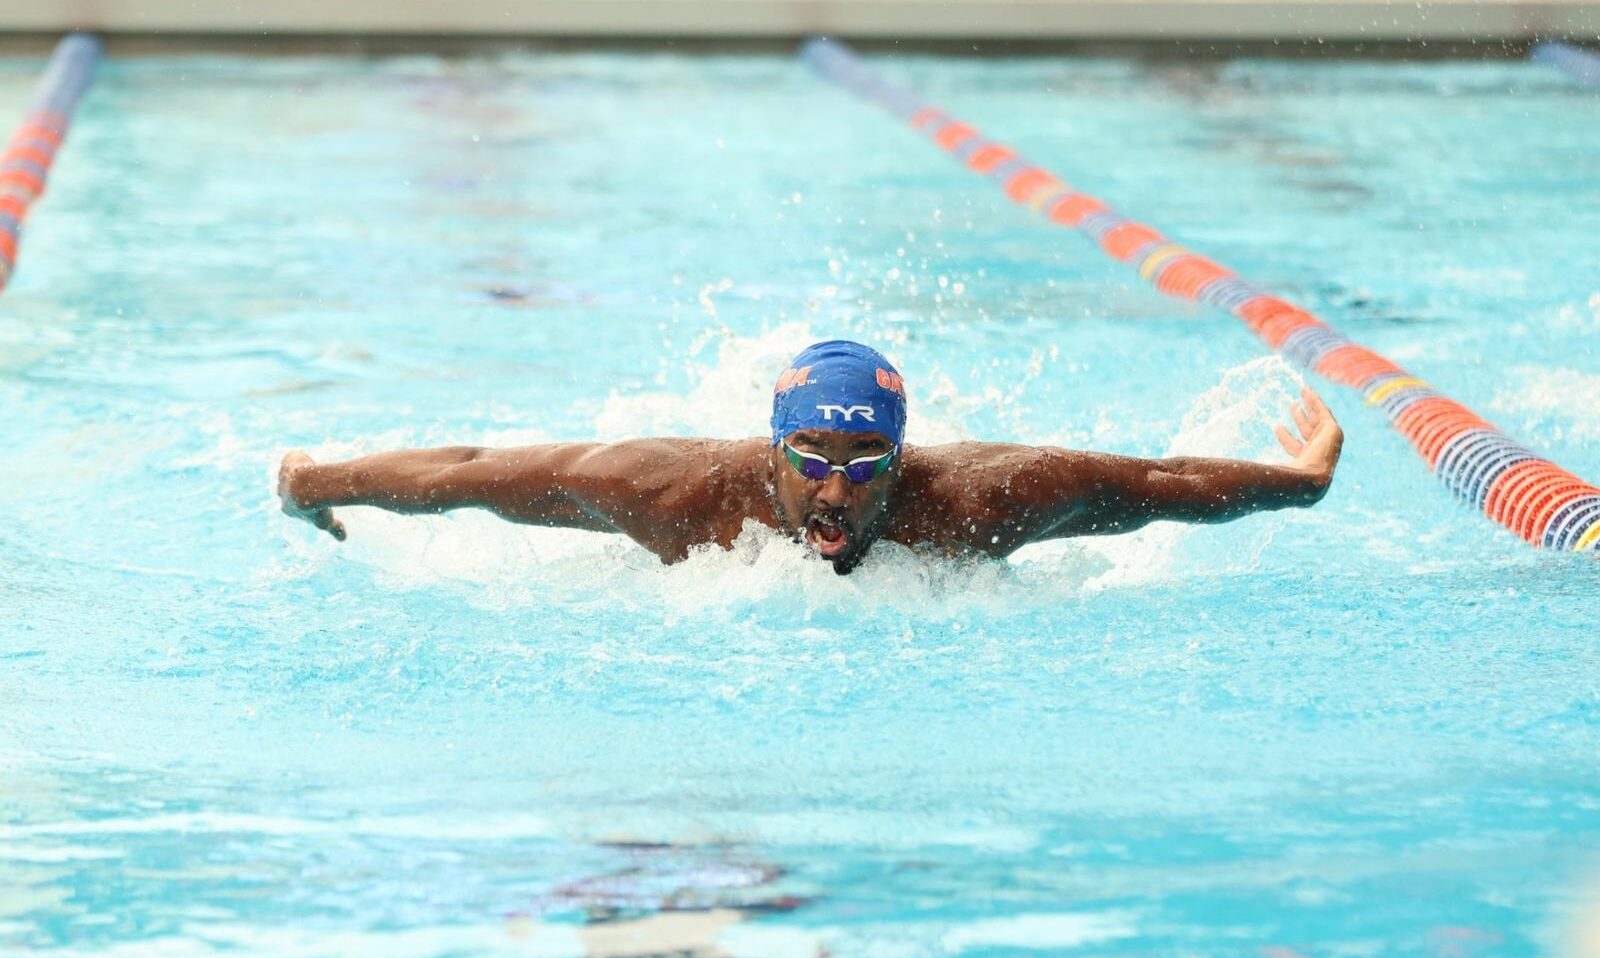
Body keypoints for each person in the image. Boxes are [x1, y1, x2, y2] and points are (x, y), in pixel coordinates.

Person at [278, 340, 1342, 575]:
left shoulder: (976, 501)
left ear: (902, 456)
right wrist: (313, 481)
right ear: (771, 448)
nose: (836, 487)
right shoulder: (669, 493)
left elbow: (1161, 487)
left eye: (865, 460)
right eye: (813, 458)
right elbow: (468, 474)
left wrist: (1298, 485)